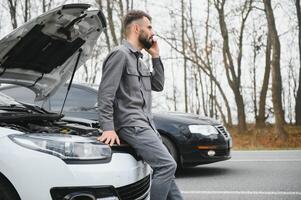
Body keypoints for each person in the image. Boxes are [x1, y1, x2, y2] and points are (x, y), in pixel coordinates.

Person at [97, 10, 184, 200]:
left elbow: (158, 85)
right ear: (137, 29)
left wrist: (156, 56)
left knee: (166, 168)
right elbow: (105, 93)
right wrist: (108, 128)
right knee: (167, 166)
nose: (153, 32)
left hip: (147, 125)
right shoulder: (120, 55)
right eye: (149, 28)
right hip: (131, 124)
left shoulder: (139, 60)